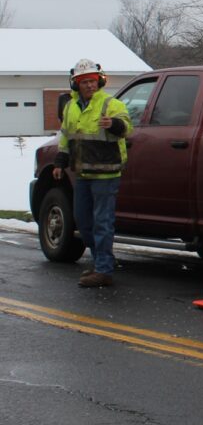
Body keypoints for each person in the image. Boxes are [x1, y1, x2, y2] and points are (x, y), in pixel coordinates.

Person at [52, 59, 132, 288]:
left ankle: (103, 269)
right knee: (83, 221)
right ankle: (101, 262)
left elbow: (127, 127)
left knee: (102, 222)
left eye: (92, 81)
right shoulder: (70, 107)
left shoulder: (111, 104)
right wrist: (60, 162)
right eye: (84, 82)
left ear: (100, 81)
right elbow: (66, 136)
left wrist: (114, 124)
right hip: (84, 173)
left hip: (107, 174)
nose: (89, 85)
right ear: (76, 84)